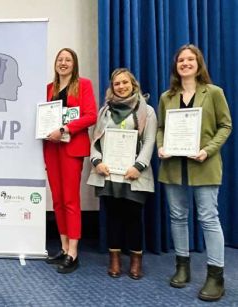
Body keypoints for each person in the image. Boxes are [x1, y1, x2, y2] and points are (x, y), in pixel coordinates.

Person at [157, 44, 232, 301]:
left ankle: (215, 276)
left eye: (190, 59)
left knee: (208, 218)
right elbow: (160, 128)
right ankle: (182, 266)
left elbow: (226, 125)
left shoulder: (213, 93)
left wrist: (208, 150)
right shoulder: (167, 96)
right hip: (174, 166)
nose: (185, 63)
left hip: (204, 163)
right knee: (178, 216)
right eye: (181, 60)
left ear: (199, 63)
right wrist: (161, 146)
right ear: (175, 66)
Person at [87, 68, 157, 279]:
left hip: (133, 174)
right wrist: (96, 161)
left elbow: (150, 140)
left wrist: (139, 166)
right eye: (117, 83)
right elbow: (95, 140)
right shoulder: (104, 111)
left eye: (125, 82)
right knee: (113, 217)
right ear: (112, 87)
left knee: (133, 217)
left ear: (133, 84)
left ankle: (136, 261)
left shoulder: (147, 110)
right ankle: (114, 259)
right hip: (109, 174)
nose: (121, 87)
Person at [44, 48, 97, 273]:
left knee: (70, 200)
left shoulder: (83, 85)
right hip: (51, 149)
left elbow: (91, 115)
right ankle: (64, 248)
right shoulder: (49, 88)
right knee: (57, 199)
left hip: (71, 148)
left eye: (68, 60)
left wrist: (65, 128)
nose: (63, 63)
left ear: (74, 64)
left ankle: (73, 252)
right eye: (60, 59)